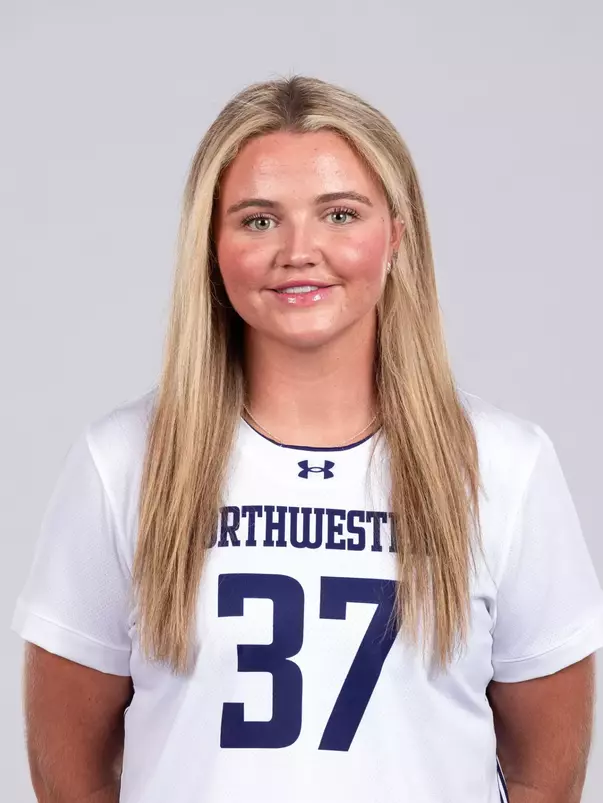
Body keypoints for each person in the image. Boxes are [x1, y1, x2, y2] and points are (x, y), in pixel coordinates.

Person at [11, 74, 603, 803]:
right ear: (211, 245)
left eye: (340, 214)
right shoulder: (124, 461)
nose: (299, 250)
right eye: (258, 219)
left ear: (396, 236)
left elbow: (546, 773)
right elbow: (68, 769)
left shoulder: (502, 467)